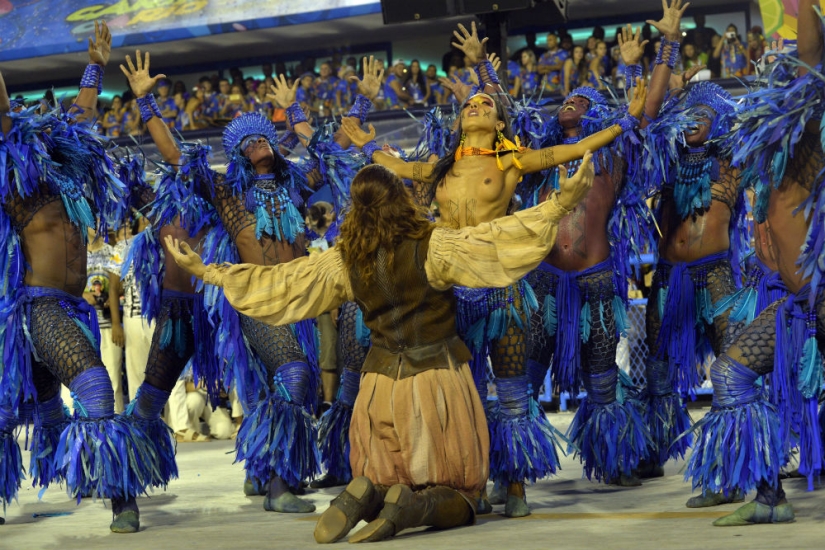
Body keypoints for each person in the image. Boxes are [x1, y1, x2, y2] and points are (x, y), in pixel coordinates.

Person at [164, 154, 596, 543]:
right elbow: (497, 241)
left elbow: (282, 283)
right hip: (436, 382)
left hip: (378, 391)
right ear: (400, 199)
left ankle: (364, 493)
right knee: (461, 494)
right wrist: (559, 204)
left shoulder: (344, 261)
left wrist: (209, 272)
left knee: (388, 474)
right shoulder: (434, 244)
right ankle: (410, 510)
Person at [341, 21, 648, 517]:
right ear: (460, 121)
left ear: (500, 123)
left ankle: (516, 483)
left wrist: (623, 123)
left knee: (511, 391)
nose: (476, 106)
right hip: (450, 288)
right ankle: (469, 477)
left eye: (486, 104)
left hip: (502, 287)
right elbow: (396, 170)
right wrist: (361, 144)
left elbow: (568, 151)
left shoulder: (512, 162)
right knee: (462, 389)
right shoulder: (440, 166)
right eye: (469, 104)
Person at [121, 50, 382, 514]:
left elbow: (335, 146)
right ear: (239, 153)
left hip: (301, 298)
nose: (259, 141)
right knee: (296, 375)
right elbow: (176, 155)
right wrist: (146, 103)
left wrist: (360, 100)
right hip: (257, 299)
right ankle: (279, 488)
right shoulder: (229, 192)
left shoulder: (295, 185)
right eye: (249, 140)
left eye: (264, 134)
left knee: (271, 390)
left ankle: (261, 473)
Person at [0, 22, 174, 534]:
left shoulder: (68, 174)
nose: (61, 131)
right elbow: (3, 113)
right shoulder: (18, 177)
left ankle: (92, 479)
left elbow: (81, 113)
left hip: (71, 306)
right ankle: (122, 499)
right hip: (37, 308)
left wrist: (95, 65)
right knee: (96, 388)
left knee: (41, 411)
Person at [523, 3, 687, 489]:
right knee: (524, 376)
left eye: (581, 98)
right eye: (567, 97)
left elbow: (647, 109)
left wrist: (667, 47)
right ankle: (509, 473)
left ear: (599, 114)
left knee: (602, 378)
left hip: (595, 280)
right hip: (546, 282)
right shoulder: (543, 156)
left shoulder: (614, 149)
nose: (570, 100)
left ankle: (612, 458)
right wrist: (488, 73)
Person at [685, 0, 825, 526]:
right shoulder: (763, 157)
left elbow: (812, 57)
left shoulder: (808, 134)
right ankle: (769, 499)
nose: (778, 71)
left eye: (786, 70)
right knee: (730, 374)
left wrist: (803, 5)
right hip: (794, 304)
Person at [640, 80, 743, 487]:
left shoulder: (733, 159)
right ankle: (655, 449)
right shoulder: (666, 160)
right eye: (689, 115)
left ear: (720, 121)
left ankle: (730, 457)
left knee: (730, 366)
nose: (693, 121)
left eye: (704, 114)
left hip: (714, 273)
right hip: (667, 277)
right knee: (657, 368)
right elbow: (643, 127)